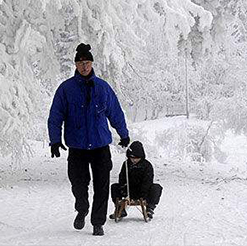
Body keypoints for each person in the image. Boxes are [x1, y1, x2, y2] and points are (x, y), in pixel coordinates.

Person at [47, 43, 129, 237]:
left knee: (102, 185)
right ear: (76, 65)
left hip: (100, 146)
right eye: (81, 63)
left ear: (92, 64)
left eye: (87, 63)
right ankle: (82, 208)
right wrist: (55, 140)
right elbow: (55, 115)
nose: (84, 66)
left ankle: (98, 222)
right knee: (78, 183)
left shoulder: (102, 87)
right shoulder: (66, 89)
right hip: (77, 147)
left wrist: (124, 134)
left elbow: (115, 112)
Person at [110, 141, 162, 220]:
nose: (134, 160)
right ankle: (120, 208)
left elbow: (148, 181)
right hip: (128, 190)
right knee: (114, 187)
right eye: (132, 158)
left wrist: (143, 194)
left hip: (143, 191)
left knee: (156, 188)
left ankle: (150, 208)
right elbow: (122, 178)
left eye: (136, 158)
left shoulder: (147, 165)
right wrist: (124, 189)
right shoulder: (126, 164)